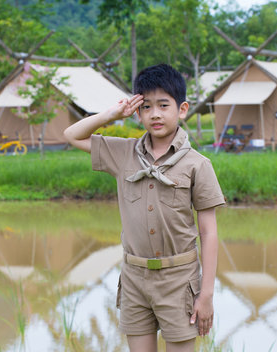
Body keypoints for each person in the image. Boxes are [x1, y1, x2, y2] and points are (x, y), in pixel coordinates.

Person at [64, 64, 225, 352]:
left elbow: (209, 232)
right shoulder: (123, 153)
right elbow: (73, 135)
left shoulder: (197, 164)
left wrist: (207, 295)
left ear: (182, 109)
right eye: (146, 106)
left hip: (179, 279)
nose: (155, 114)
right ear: (137, 112)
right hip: (134, 277)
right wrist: (111, 115)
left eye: (164, 105)